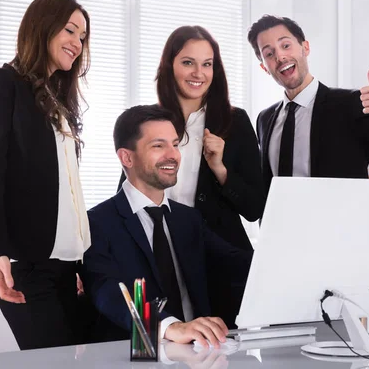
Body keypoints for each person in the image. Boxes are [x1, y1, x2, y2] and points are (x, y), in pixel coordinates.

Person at [0, 0, 93, 350]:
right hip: (25, 262)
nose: (77, 43)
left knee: (73, 356)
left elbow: (67, 190)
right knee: (50, 358)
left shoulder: (58, 102)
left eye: (82, 37)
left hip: (66, 265)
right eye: (70, 30)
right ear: (41, 27)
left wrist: (79, 255)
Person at [121, 26, 264, 327]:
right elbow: (129, 188)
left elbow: (255, 207)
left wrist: (221, 170)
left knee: (220, 352)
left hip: (219, 260)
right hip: (160, 253)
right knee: (159, 343)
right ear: (170, 65)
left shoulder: (235, 122)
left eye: (207, 64)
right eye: (188, 62)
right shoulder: (150, 121)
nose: (198, 72)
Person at [83, 105, 252, 346]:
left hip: (202, 352)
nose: (173, 155)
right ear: (127, 157)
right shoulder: (97, 222)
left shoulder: (189, 219)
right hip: (139, 353)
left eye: (175, 144)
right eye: (158, 146)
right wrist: (169, 326)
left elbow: (237, 262)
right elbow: (107, 293)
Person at [248, 15, 369, 197]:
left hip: (339, 224)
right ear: (264, 67)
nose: (280, 56)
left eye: (285, 45)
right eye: (269, 54)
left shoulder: (351, 104)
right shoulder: (265, 119)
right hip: (281, 224)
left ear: (305, 48)